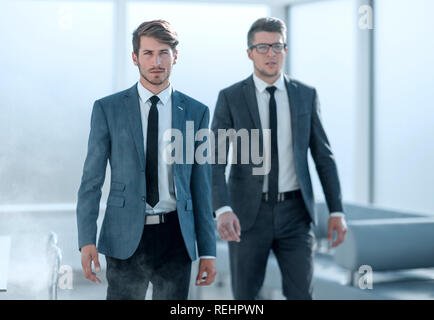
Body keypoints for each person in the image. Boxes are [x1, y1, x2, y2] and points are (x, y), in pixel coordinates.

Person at [76, 20, 216, 300]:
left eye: (163, 52)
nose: (156, 61)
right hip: (124, 235)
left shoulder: (196, 112)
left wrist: (208, 250)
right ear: (135, 57)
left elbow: (201, 186)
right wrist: (86, 240)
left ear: (175, 56)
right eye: (148, 53)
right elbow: (91, 181)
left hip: (177, 237)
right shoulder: (107, 109)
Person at [211, 17, 347, 300]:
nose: (271, 54)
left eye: (277, 46)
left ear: (285, 50)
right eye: (263, 47)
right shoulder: (231, 97)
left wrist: (336, 211)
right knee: (246, 298)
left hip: (296, 214)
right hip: (247, 215)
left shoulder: (305, 96)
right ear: (250, 52)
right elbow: (215, 160)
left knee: (301, 296)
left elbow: (324, 156)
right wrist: (222, 208)